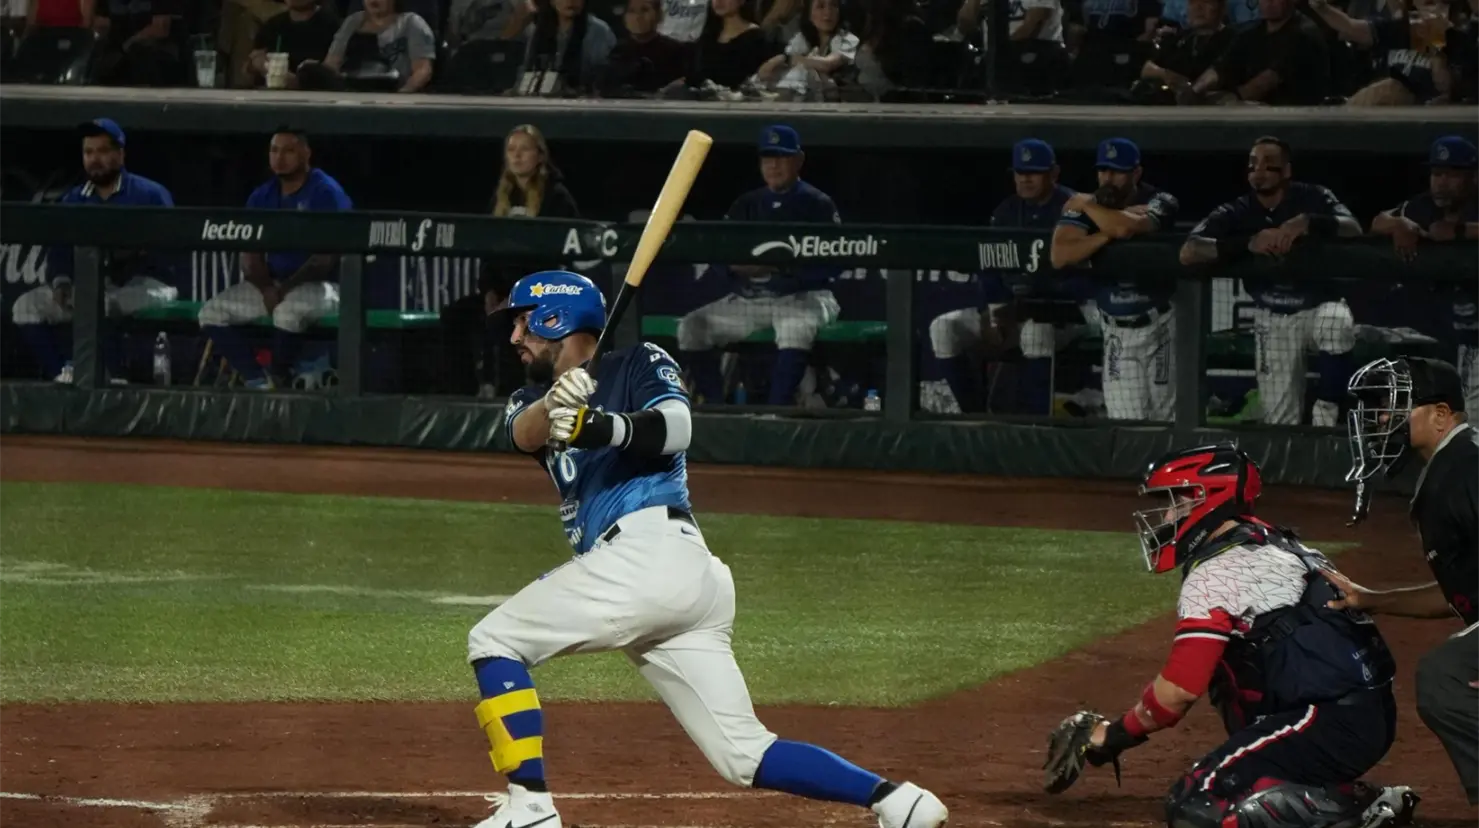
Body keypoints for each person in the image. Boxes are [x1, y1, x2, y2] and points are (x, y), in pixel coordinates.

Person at [471, 268, 948, 828]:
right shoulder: (531, 397)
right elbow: (524, 434)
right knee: (744, 754)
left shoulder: (637, 362)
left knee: (495, 639)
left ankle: (530, 808)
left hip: (649, 556)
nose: (514, 337)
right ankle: (900, 802)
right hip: (672, 581)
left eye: (523, 322)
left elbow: (677, 428)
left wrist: (600, 425)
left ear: (556, 318)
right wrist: (556, 402)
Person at [1043, 443, 1418, 828]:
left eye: (1175, 501)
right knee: (1234, 667)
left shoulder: (1217, 572)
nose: (1165, 514)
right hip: (1362, 714)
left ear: (1208, 499)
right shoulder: (1268, 539)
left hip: (1325, 723)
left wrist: (1114, 734)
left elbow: (1179, 692)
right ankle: (1326, 790)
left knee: (1196, 805)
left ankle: (1360, 810)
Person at [1337, 354, 1479, 809]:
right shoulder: (1454, 466)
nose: (1381, 419)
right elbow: (1464, 596)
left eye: (1396, 407)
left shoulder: (1465, 469)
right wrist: (1371, 599)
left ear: (1441, 415)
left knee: (1446, 675)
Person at [1179, 136, 1362, 427]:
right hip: (1273, 316)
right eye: (1252, 165)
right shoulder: (1237, 210)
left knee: (1336, 322)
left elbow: (1353, 228)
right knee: (1280, 420)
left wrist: (1309, 222)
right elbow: (1189, 251)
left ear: (1286, 170)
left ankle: (1327, 406)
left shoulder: (1313, 197)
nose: (1258, 171)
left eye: (1268, 165)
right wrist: (1246, 243)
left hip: (1317, 305)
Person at [676, 124, 842, 407]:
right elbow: (718, 253)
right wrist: (734, 268)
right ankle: (717, 408)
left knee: (795, 329)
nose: (773, 165)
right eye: (768, 158)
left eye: (781, 157)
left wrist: (781, 269)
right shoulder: (747, 204)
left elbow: (835, 262)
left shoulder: (817, 204)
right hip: (750, 300)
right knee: (692, 327)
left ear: (798, 160)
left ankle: (775, 413)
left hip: (804, 298)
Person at [11, 118, 178, 385]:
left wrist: (129, 259)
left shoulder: (150, 195)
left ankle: (115, 378)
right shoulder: (74, 199)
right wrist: (62, 282)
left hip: (150, 286)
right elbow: (59, 251)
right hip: (92, 287)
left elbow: (170, 254)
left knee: (101, 302)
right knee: (25, 306)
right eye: (88, 153)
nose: (94, 159)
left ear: (120, 154)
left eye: (102, 151)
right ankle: (65, 374)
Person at [195, 128, 352, 390]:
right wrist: (267, 287)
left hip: (324, 288)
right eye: (274, 150)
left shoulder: (325, 191)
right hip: (273, 286)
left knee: (286, 313)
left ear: (306, 153)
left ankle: (278, 376)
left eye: (288, 150)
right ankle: (258, 380)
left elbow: (324, 260)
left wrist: (282, 289)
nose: (279, 158)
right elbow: (250, 256)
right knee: (211, 312)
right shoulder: (262, 195)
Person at [926, 138, 1073, 414]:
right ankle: (975, 416)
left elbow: (1078, 277)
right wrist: (994, 311)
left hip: (1062, 312)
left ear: (1053, 173)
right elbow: (989, 267)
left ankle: (1037, 424)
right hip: (1010, 309)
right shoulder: (1006, 211)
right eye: (1020, 172)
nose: (1025, 179)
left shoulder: (1073, 208)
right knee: (943, 328)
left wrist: (1026, 307)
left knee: (1034, 333)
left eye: (1034, 172)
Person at [440, 124, 581, 397]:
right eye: (511, 150)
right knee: (454, 316)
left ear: (540, 156)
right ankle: (461, 395)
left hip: (542, 293)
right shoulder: (500, 196)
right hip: (503, 291)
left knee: (505, 321)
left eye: (524, 150)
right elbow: (488, 253)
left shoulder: (557, 197)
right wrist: (489, 290)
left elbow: (564, 255)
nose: (516, 156)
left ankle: (511, 396)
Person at [1052, 138, 1180, 422]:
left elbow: (1127, 227)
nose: (1108, 178)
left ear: (1136, 173)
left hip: (1161, 327)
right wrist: (1106, 231)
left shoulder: (1161, 200)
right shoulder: (1089, 204)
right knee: (1125, 424)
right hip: (1116, 333)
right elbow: (1060, 255)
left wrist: (1088, 206)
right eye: (1103, 170)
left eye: (1117, 171)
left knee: (1166, 422)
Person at [1370, 136, 1479, 414]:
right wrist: (1400, 223)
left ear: (1472, 176)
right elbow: (1377, 221)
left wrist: (1459, 232)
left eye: (1451, 174)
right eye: (1436, 174)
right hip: (1464, 336)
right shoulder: (1423, 206)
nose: (1441, 182)